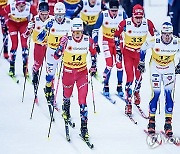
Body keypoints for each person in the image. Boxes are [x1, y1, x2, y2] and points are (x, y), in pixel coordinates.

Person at [54, 18, 97, 141]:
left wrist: (94, 66)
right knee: (67, 96)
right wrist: (60, 46)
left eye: (79, 32)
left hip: (81, 74)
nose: (77, 34)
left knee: (82, 102)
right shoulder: (66, 40)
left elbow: (93, 53)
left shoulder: (88, 40)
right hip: (68, 73)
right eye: (75, 32)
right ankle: (66, 109)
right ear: (71, 31)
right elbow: (56, 56)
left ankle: (84, 128)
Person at [138, 22, 180, 137]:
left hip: (169, 69)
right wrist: (141, 62)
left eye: (169, 34)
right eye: (165, 34)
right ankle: (151, 122)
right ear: (161, 33)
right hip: (155, 68)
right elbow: (142, 48)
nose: (167, 36)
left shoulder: (176, 41)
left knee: (169, 95)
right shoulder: (154, 40)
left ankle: (168, 124)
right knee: (156, 94)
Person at [114, 4, 155, 115]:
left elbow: (156, 37)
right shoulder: (125, 23)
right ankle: (128, 103)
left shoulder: (148, 23)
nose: (138, 20)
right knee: (130, 77)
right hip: (128, 52)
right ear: (132, 15)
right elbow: (116, 35)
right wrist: (118, 50)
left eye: (140, 17)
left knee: (139, 76)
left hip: (140, 54)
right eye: (136, 17)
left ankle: (136, 92)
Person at [37, 2, 71, 105]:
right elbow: (39, 39)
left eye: (61, 15)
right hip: (51, 51)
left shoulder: (70, 23)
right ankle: (48, 89)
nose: (59, 18)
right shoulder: (49, 21)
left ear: (64, 14)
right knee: (50, 74)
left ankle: (65, 96)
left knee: (65, 75)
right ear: (54, 14)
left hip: (64, 52)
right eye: (57, 15)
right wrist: (46, 29)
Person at [92, 0, 127, 97]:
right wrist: (95, 43)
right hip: (106, 42)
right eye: (112, 10)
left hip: (118, 42)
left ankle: (119, 86)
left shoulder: (122, 14)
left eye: (116, 10)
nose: (114, 12)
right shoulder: (103, 15)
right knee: (109, 64)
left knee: (119, 64)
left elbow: (129, 28)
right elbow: (95, 29)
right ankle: (106, 85)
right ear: (109, 9)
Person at [0, 0, 37, 77]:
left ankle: (25, 68)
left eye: (23, 7)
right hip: (12, 23)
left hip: (23, 24)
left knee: (24, 45)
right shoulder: (11, 6)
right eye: (19, 7)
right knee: (14, 45)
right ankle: (12, 68)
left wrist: (32, 23)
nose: (21, 9)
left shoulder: (29, 6)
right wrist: (5, 23)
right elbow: (2, 13)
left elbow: (36, 15)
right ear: (16, 5)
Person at [26, 2, 51, 89]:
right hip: (39, 46)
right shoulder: (34, 19)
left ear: (49, 12)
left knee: (50, 66)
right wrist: (28, 29)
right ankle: (35, 73)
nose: (44, 16)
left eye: (46, 14)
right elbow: (26, 35)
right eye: (42, 14)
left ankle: (50, 84)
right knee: (38, 64)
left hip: (49, 46)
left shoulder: (52, 19)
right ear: (38, 12)